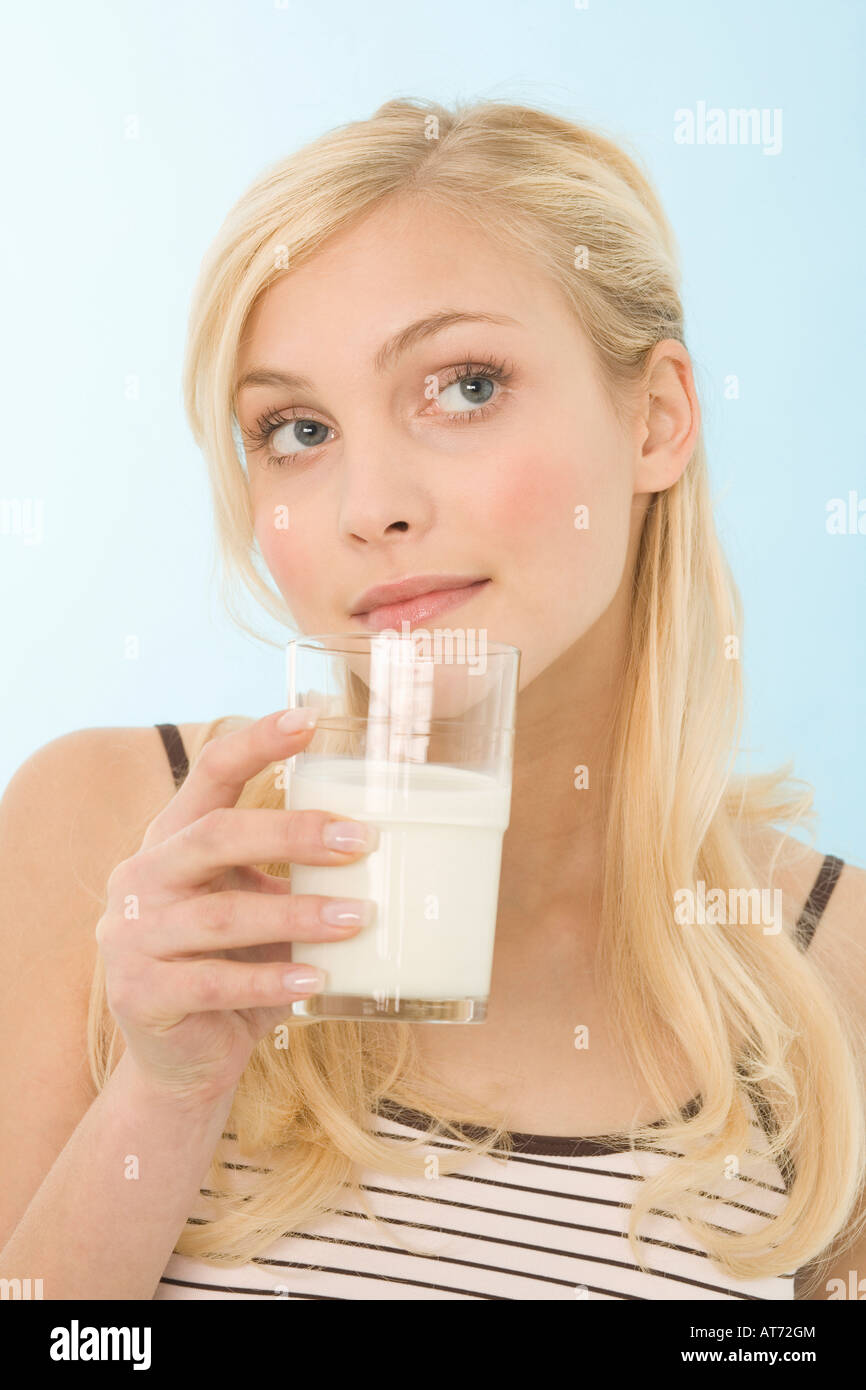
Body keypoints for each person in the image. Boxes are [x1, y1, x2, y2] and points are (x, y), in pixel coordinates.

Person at [1, 96, 864, 1302]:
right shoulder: (106, 838)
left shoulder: (829, 973)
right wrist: (167, 1091)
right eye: (295, 428)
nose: (371, 503)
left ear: (656, 417)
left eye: (461, 387)